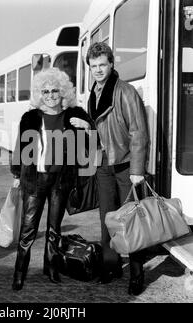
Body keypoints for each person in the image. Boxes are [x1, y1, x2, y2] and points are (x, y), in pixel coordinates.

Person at [10, 67, 94, 291]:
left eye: (55, 90)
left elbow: (91, 145)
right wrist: (17, 174)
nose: (50, 95)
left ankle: (52, 268)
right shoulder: (30, 117)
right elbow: (21, 147)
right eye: (45, 91)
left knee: (54, 229)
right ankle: (20, 272)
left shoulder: (75, 115)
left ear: (63, 91)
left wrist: (87, 128)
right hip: (35, 180)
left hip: (61, 180)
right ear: (39, 94)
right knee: (28, 229)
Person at [86, 42, 149, 296]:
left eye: (102, 64)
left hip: (125, 165)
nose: (98, 70)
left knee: (131, 222)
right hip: (103, 164)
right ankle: (111, 266)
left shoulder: (125, 91)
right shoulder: (93, 94)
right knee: (107, 219)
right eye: (94, 66)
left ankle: (137, 272)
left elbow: (138, 132)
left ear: (111, 64)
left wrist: (137, 169)